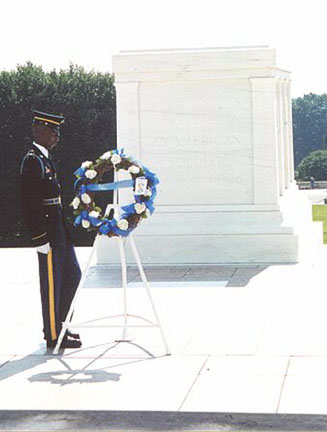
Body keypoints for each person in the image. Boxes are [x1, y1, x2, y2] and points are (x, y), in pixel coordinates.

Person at [20, 110, 82, 350]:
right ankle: (53, 335)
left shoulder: (44, 159)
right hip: (47, 233)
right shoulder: (32, 160)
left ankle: (62, 326)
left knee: (73, 275)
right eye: (54, 132)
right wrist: (38, 237)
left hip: (59, 231)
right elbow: (29, 202)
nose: (57, 136)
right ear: (41, 131)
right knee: (52, 284)